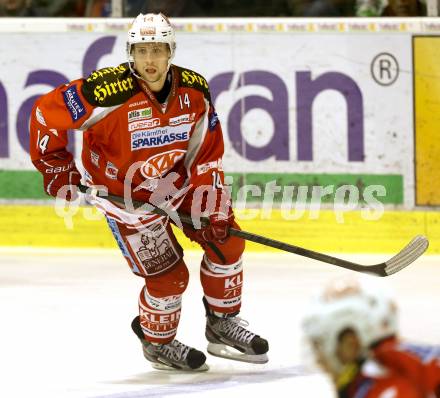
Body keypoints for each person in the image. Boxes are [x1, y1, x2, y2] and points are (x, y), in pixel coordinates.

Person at [29, 13, 268, 372]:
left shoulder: (194, 90)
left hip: (176, 183)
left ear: (170, 51)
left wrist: (211, 205)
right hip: (123, 197)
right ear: (131, 53)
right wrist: (56, 167)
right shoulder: (105, 92)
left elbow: (205, 152)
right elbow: (45, 114)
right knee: (170, 278)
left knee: (228, 241)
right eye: (142, 51)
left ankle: (221, 324)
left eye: (158, 50)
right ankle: (158, 343)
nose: (150, 60)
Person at [302, 278, 440, 397]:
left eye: (319, 344)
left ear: (351, 344)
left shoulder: (383, 386)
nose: (318, 358)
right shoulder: (409, 361)